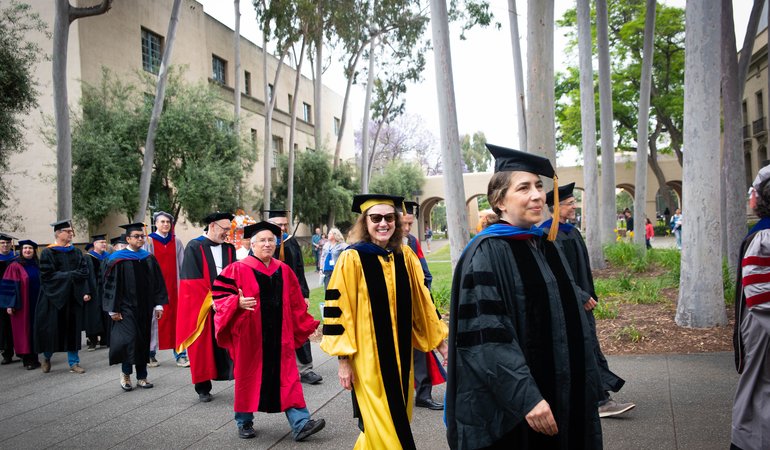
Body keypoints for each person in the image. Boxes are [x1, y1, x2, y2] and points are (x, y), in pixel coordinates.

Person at [446, 144, 602, 449]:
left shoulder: (546, 244)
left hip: (564, 390)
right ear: (499, 201)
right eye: (524, 188)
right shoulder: (486, 252)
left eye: (539, 186)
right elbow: (488, 339)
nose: (537, 195)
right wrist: (527, 398)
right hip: (519, 406)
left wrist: (588, 377)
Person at [320, 194, 449, 449]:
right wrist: (344, 362)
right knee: (389, 425)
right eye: (376, 218)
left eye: (389, 218)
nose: (383, 223)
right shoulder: (352, 259)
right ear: (365, 223)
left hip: (402, 357)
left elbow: (422, 303)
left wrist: (440, 344)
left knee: (390, 421)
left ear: (397, 222)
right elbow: (338, 311)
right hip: (368, 361)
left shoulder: (406, 257)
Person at [212, 221, 326, 441]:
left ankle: (300, 423)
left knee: (288, 377)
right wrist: (236, 302)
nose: (267, 244)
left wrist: (304, 324)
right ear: (252, 244)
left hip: (280, 337)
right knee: (247, 378)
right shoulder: (237, 269)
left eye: (270, 240)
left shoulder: (283, 270)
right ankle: (244, 421)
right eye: (262, 240)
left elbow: (295, 303)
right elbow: (218, 297)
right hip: (250, 338)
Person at [542, 182, 635, 419]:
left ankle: (590, 398)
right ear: (556, 206)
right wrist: (580, 296)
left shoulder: (570, 231)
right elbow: (556, 274)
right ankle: (600, 401)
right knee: (584, 348)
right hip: (569, 303)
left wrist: (589, 294)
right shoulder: (548, 234)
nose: (574, 206)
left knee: (585, 347)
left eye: (574, 202)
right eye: (570, 203)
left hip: (582, 301)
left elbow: (580, 269)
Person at [176, 212, 236, 402]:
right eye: (224, 229)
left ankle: (231, 374)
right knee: (202, 345)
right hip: (203, 305)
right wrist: (213, 300)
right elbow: (191, 281)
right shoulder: (195, 246)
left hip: (225, 303)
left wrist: (229, 298)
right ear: (212, 225)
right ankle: (203, 388)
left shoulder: (229, 249)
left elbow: (234, 274)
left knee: (228, 341)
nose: (227, 233)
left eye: (229, 229)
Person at [103, 223, 168, 391]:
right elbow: (109, 285)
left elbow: (157, 282)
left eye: (142, 236)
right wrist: (113, 309)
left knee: (143, 340)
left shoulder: (148, 257)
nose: (140, 239)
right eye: (136, 236)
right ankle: (125, 374)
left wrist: (158, 304)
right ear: (128, 239)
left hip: (145, 307)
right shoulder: (117, 259)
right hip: (125, 307)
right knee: (129, 340)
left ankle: (142, 376)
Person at [732, 167, 770, 450]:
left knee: (758, 391)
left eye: (752, 193)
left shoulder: (763, 238)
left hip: (763, 331)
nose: (750, 198)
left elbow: (759, 297)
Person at [266, 210, 323, 386]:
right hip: (269, 297)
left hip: (292, 296)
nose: (282, 227)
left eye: (285, 224)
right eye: (278, 224)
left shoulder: (290, 242)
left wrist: (304, 294)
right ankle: (275, 371)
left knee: (300, 330)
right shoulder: (264, 242)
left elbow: (299, 269)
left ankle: (305, 369)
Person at [34, 220, 92, 374]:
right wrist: (72, 275)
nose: (71, 233)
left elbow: (84, 273)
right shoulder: (47, 252)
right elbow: (47, 276)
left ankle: (74, 362)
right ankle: (47, 357)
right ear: (59, 233)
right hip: (54, 298)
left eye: (71, 231)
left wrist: (67, 277)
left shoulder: (76, 252)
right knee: (53, 330)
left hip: (73, 298)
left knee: (73, 330)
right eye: (68, 231)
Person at [402, 200, 444, 411]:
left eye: (410, 223)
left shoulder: (411, 241)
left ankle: (423, 394)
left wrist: (422, 296)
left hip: (414, 306)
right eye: (405, 223)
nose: (408, 228)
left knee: (421, 351)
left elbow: (424, 272)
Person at [144, 211, 187, 367]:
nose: (165, 224)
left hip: (175, 289)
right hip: (155, 289)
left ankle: (181, 354)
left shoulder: (177, 242)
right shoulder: (148, 241)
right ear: (156, 223)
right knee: (153, 320)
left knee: (177, 321)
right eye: (162, 222)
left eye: (168, 222)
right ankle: (150, 354)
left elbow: (183, 266)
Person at [0, 239, 41, 369]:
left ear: (34, 251)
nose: (27, 250)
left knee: (35, 330)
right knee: (24, 331)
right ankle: (28, 360)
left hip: (37, 302)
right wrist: (9, 304)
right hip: (22, 305)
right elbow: (9, 286)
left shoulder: (37, 264)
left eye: (30, 248)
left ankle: (35, 357)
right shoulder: (15, 265)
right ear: (21, 251)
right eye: (25, 248)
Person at [84, 234, 109, 351]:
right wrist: (87, 291)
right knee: (93, 315)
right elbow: (86, 276)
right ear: (94, 244)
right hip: (94, 290)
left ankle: (105, 339)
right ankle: (92, 340)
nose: (104, 244)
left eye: (105, 242)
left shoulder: (108, 256)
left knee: (105, 313)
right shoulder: (88, 257)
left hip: (107, 289)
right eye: (101, 242)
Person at [0, 233, 18, 364]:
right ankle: (7, 353)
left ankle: (22, 351)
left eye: (7, 243)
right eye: (2, 243)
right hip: (1, 297)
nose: (5, 245)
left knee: (17, 323)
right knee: (3, 325)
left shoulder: (16, 258)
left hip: (15, 295)